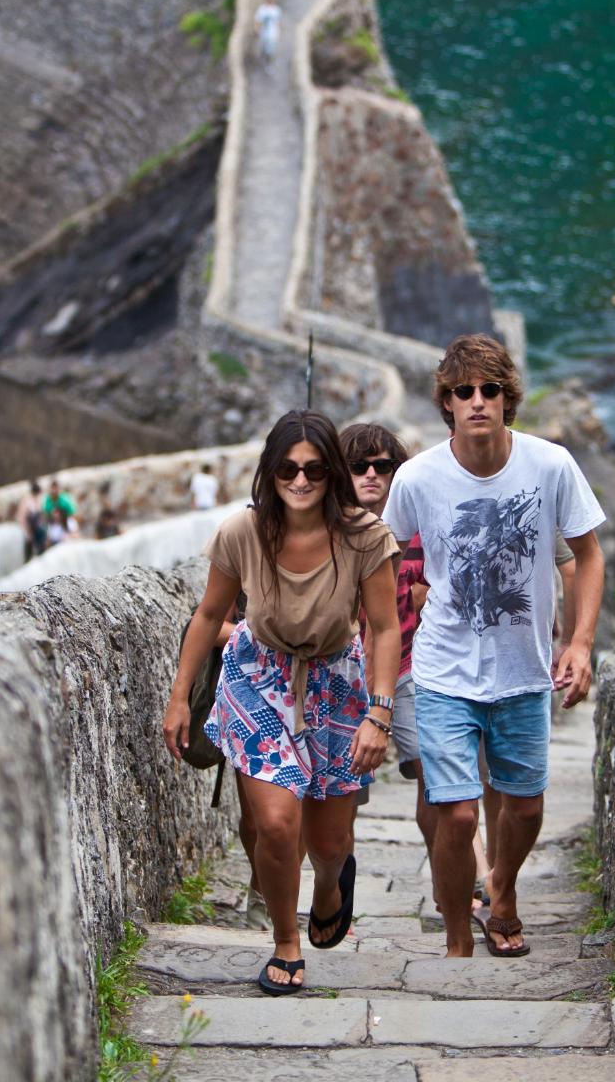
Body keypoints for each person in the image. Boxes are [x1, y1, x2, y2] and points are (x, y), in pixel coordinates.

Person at [382, 333, 605, 958]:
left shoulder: (551, 466)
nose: (476, 401)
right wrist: (390, 630)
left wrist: (582, 644)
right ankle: (457, 940)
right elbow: (383, 559)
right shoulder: (418, 477)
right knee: (456, 814)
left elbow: (587, 556)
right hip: (442, 671)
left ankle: (501, 887)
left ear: (508, 399)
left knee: (526, 807)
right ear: (447, 402)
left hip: (524, 669)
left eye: (490, 390)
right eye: (462, 392)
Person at [163, 411, 400, 996]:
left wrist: (380, 711)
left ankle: (328, 888)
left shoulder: (364, 536)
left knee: (328, 844)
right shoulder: (241, 533)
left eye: (315, 469)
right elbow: (209, 616)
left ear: (332, 474)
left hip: (338, 685)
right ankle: (285, 944)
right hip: (257, 675)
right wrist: (178, 698)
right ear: (270, 473)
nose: (300, 480)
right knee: (272, 822)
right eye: (288, 469)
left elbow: (386, 627)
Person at [344, 423, 575, 917]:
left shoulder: (427, 513)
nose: (371, 476)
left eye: (382, 466)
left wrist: (568, 634)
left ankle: (474, 881)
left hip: (421, 666)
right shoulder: (332, 532)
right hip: (346, 673)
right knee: (341, 798)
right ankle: (333, 891)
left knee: (447, 782)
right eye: (358, 467)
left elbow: (564, 556)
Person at [16, 480, 45, 559]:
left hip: (38, 528)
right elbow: (22, 517)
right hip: (29, 528)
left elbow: (42, 514)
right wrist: (27, 532)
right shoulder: (26, 500)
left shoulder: (40, 499)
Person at [45, 479, 77, 544]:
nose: (54, 490)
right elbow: (46, 512)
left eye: (55, 488)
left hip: (64, 522)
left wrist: (65, 522)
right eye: (52, 488)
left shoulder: (64, 499)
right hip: (53, 523)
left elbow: (71, 512)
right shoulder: (47, 500)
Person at [255, 0, 282, 66]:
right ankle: (263, 58)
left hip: (273, 32)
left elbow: (278, 22)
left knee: (271, 46)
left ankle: (268, 60)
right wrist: (257, 29)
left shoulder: (276, 10)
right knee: (263, 45)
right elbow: (258, 20)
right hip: (263, 32)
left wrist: (279, 31)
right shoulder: (262, 9)